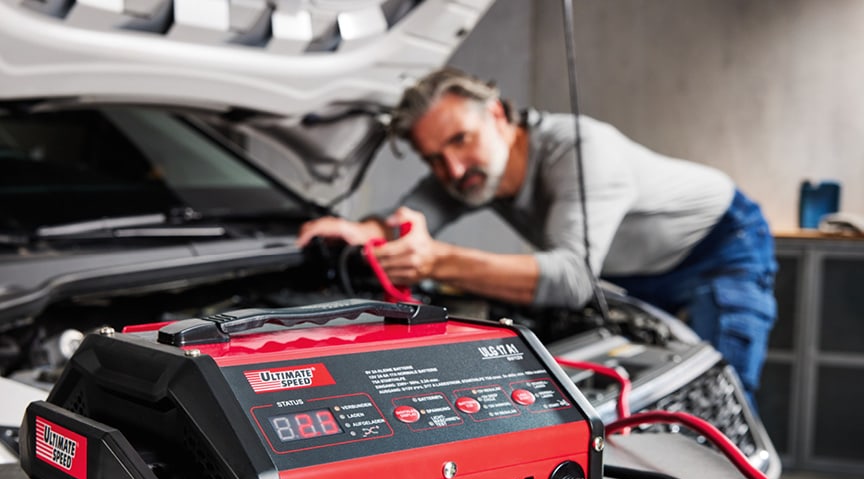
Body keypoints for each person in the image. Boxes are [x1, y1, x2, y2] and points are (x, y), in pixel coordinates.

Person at [297, 67, 777, 406]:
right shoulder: (471, 175)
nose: (453, 169)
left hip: (720, 245)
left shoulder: (579, 150)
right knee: (645, 397)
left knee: (721, 394)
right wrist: (363, 231)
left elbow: (571, 280)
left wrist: (437, 261)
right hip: (633, 268)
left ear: (498, 115)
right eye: (435, 159)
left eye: (461, 140)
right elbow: (406, 216)